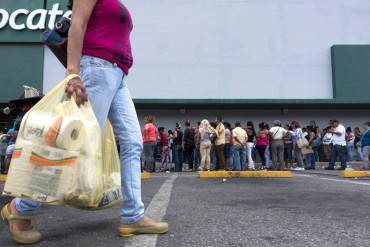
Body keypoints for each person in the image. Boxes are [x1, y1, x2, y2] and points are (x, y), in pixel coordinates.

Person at [1, 1, 168, 244]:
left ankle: (133, 216)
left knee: (133, 143)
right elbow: (77, 25)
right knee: (74, 148)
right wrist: (73, 72)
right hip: (97, 68)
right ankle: (21, 208)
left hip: (118, 76)